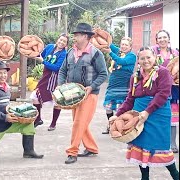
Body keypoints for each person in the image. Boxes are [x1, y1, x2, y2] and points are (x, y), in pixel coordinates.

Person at [110, 46, 179, 180]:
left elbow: (163, 94)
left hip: (158, 114)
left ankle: (175, 175)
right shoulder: (135, 77)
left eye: (148, 57)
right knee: (140, 146)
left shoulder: (163, 73)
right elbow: (130, 99)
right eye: (142, 58)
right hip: (138, 116)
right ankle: (144, 177)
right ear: (138, 60)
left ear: (154, 57)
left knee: (161, 146)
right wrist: (117, 115)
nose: (146, 61)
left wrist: (147, 111)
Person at [57, 23, 108, 164]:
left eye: (77, 35)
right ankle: (92, 148)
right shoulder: (70, 53)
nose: (74, 37)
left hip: (89, 94)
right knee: (80, 122)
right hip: (73, 94)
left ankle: (72, 152)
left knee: (79, 123)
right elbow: (62, 71)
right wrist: (60, 86)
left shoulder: (96, 53)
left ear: (85, 36)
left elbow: (104, 74)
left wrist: (91, 87)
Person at [30, 33, 69, 131]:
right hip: (45, 76)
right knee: (35, 96)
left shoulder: (64, 54)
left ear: (66, 44)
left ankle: (53, 123)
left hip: (55, 79)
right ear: (57, 40)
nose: (61, 42)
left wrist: (43, 61)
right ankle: (38, 119)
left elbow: (57, 68)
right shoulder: (49, 47)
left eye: (64, 41)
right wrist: (32, 52)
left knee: (57, 100)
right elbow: (40, 55)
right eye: (60, 40)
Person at [101, 37, 136, 134]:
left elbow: (121, 62)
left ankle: (120, 127)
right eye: (122, 44)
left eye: (126, 45)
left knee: (120, 107)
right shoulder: (118, 52)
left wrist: (110, 53)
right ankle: (110, 125)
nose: (124, 46)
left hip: (124, 85)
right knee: (109, 106)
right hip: (113, 84)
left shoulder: (132, 56)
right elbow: (109, 44)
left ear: (130, 47)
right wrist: (100, 34)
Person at [152, 30, 179, 153]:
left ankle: (172, 143)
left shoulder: (175, 53)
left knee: (173, 116)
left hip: (173, 89)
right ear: (156, 40)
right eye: (160, 38)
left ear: (169, 39)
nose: (162, 40)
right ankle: (158, 142)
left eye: (165, 37)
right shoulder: (152, 52)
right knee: (157, 114)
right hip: (156, 87)